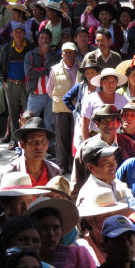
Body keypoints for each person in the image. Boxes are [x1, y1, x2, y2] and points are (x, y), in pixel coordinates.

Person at [26, 197, 96, 267]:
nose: (51, 234)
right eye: (44, 228)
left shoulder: (78, 256)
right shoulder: (22, 259)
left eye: (56, 228)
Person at [0, 118, 61, 190]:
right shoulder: (6, 174)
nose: (39, 146)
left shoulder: (54, 171)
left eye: (43, 141)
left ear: (47, 144)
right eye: (33, 141)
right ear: (22, 144)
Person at [76, 139, 135, 214]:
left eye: (114, 160)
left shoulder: (117, 183)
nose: (113, 166)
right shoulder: (90, 193)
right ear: (91, 167)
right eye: (106, 163)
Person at [46, 42, 79, 173]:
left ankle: (74, 165)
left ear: (75, 54)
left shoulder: (81, 67)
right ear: (62, 54)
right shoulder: (54, 69)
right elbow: (49, 90)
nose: (68, 55)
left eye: (71, 52)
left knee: (75, 137)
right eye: (65, 52)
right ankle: (62, 166)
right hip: (60, 108)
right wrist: (58, 100)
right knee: (61, 139)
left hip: (77, 108)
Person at [0, 22, 33, 138]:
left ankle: (27, 137)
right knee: (13, 113)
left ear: (24, 33)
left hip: (25, 85)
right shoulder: (7, 48)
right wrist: (3, 82)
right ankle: (15, 139)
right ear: (12, 34)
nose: (18, 34)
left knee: (28, 113)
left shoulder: (30, 47)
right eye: (15, 31)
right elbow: (0, 65)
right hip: (11, 84)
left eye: (20, 31)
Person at [0, 172, 48, 238]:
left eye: (29, 201)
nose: (26, 208)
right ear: (3, 203)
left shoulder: (35, 227)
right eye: (20, 203)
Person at [24, 29, 60, 131]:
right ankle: (26, 144)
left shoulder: (54, 55)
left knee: (50, 123)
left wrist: (47, 54)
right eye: (42, 38)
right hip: (36, 93)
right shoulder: (30, 55)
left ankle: (49, 146)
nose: (44, 40)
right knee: (29, 120)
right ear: (38, 39)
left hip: (51, 95)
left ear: (50, 40)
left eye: (47, 38)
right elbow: (29, 72)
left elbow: (55, 70)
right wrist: (46, 70)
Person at [63, 60, 101, 152]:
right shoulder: (80, 87)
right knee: (81, 147)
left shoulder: (102, 87)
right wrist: (75, 110)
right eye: (87, 72)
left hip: (98, 125)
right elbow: (66, 98)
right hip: (81, 122)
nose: (90, 75)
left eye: (92, 72)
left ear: (98, 73)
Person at [81, 68, 128, 140]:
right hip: (95, 138)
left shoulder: (123, 99)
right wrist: (86, 145)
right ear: (101, 83)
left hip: (117, 137)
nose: (111, 84)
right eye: (107, 81)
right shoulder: (91, 99)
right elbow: (84, 125)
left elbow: (126, 121)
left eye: (114, 81)